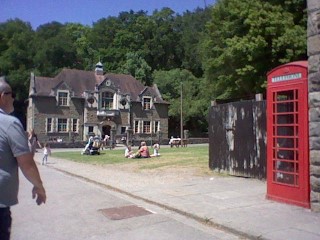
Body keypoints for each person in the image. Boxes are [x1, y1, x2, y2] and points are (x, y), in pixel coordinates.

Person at [0, 78, 46, 240]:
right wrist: (39, 186)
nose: (14, 99)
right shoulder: (9, 123)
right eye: (11, 95)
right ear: (3, 96)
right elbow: (26, 164)